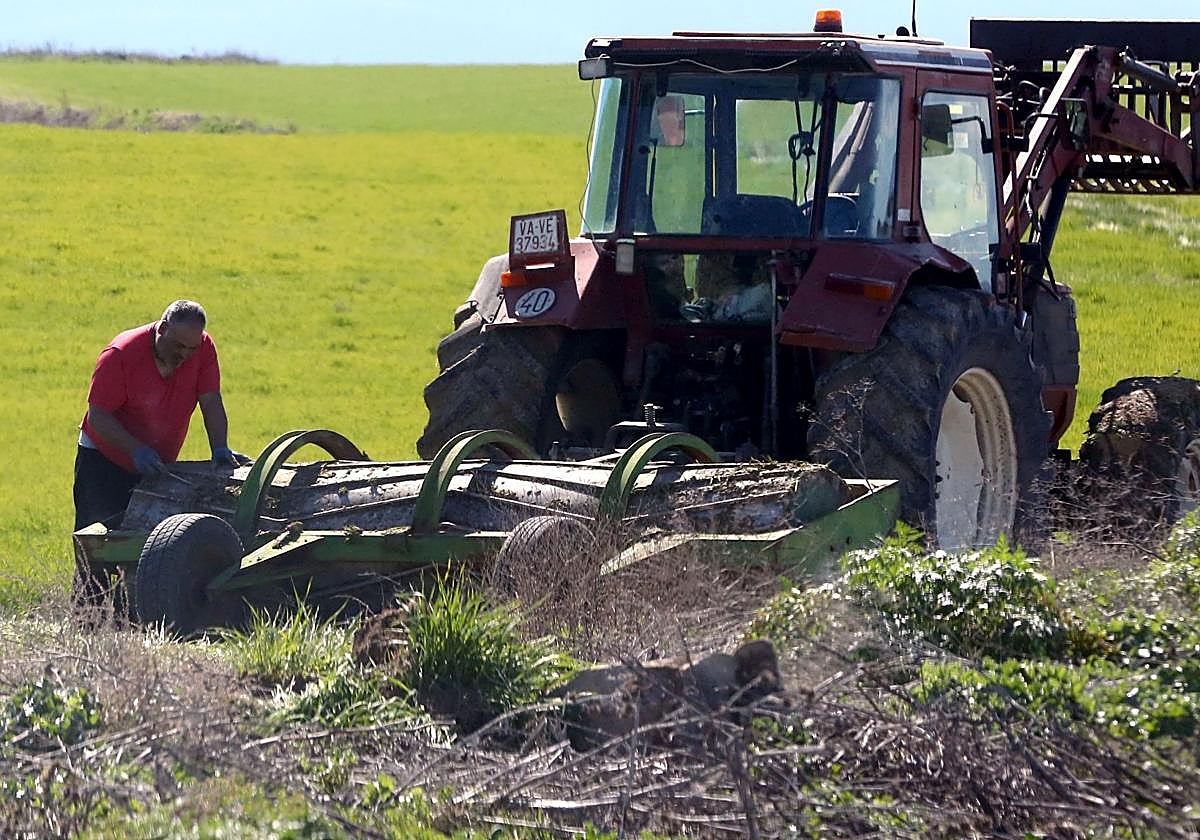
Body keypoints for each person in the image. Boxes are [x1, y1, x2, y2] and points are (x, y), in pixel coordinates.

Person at [73, 299, 250, 609]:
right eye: (179, 346)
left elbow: (210, 401)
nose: (184, 355)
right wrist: (135, 450)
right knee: (100, 545)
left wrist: (219, 447)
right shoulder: (121, 355)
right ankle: (89, 618)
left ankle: (135, 616)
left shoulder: (202, 349)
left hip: (156, 464)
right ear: (162, 329)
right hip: (104, 459)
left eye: (191, 349)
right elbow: (99, 416)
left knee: (148, 544)